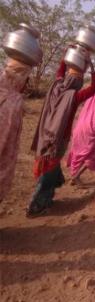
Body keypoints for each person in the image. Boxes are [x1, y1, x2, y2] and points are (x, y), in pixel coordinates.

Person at [28, 52, 95, 217]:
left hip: (44, 136)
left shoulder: (56, 86)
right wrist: (92, 69)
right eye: (80, 81)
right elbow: (94, 88)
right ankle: (36, 206)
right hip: (58, 140)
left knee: (50, 168)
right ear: (78, 83)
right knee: (49, 173)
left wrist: (66, 57)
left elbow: (60, 73)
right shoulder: (74, 96)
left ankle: (48, 198)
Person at [0, 59, 33, 203]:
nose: (26, 84)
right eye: (26, 79)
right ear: (19, 78)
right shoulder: (14, 101)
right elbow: (6, 138)